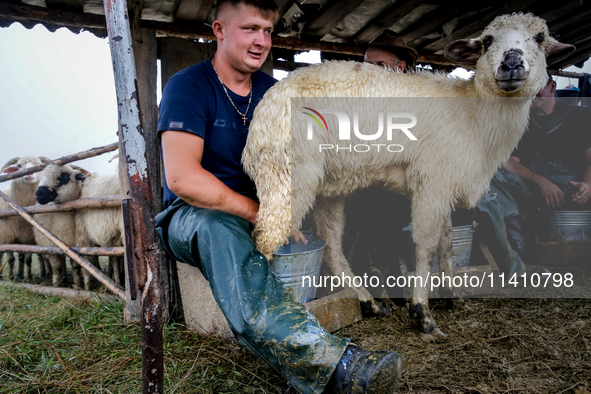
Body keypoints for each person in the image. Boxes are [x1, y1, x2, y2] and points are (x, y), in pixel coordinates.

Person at [154, 1, 402, 393]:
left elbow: (297, 164)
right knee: (219, 227)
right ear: (219, 30)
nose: (262, 41)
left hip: (262, 212)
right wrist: (261, 215)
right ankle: (337, 366)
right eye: (251, 28)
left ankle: (306, 358)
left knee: (336, 215)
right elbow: (184, 178)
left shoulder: (277, 92)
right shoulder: (189, 86)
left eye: (268, 31)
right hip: (194, 217)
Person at [475, 73, 591, 275]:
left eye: (535, 87)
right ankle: (518, 247)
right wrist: (540, 182)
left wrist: (587, 186)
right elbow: (509, 162)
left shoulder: (580, 116)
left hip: (572, 191)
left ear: (552, 87)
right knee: (489, 175)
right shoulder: (519, 122)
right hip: (533, 190)